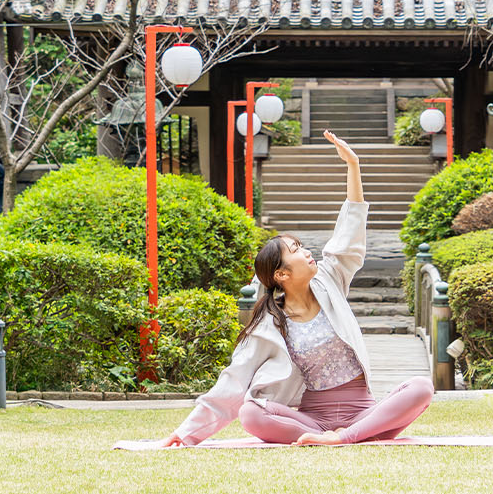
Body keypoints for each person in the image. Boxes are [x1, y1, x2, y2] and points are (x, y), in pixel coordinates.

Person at [160, 130, 434, 447]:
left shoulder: (330, 280)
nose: (306, 252)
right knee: (251, 412)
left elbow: (350, 233)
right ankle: (335, 437)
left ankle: (345, 437)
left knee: (421, 387)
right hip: (311, 420)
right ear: (281, 274)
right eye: (296, 250)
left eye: (302, 246)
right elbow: (234, 379)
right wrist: (185, 433)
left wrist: (353, 167)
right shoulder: (271, 322)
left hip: (363, 412)